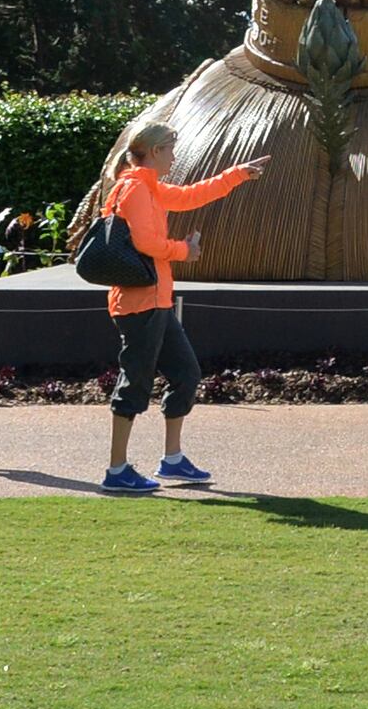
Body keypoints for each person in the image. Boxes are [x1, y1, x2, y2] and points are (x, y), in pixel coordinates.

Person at [99, 122, 262, 495]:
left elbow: (190, 196)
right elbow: (147, 243)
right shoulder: (137, 188)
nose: (174, 157)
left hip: (156, 301)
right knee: (134, 385)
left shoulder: (148, 186)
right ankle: (116, 469)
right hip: (139, 303)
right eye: (171, 150)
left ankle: (172, 460)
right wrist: (184, 251)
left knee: (187, 374)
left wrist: (236, 175)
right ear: (155, 151)